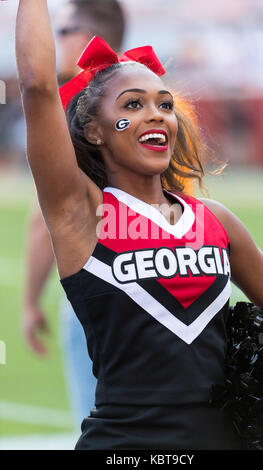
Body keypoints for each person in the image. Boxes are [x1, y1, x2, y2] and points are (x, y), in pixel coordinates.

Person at [15, 0, 263, 450]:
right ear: (95, 131)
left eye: (165, 105)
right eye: (134, 104)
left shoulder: (216, 220)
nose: (156, 115)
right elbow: (37, 87)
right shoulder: (83, 215)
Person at [21, 0, 125, 430]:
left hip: (96, 294)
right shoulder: (157, 100)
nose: (55, 40)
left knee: (100, 428)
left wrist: (29, 302)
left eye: (62, 31)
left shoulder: (80, 108)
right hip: (168, 286)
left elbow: (43, 221)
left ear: (87, 38)